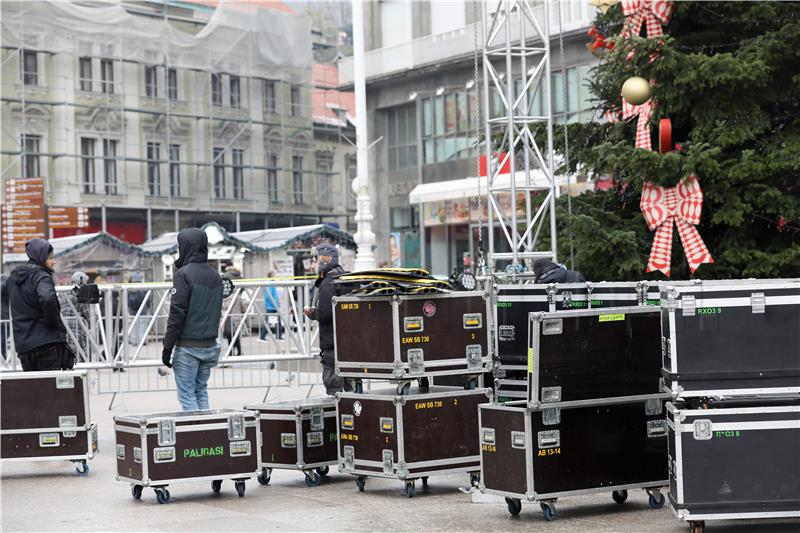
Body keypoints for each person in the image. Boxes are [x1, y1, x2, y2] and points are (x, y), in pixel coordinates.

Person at [162, 228, 223, 411]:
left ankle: (198, 435)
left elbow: (177, 313)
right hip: (210, 345)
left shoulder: (183, 274)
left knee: (187, 396)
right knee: (201, 391)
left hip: (188, 347)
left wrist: (167, 346)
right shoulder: (215, 276)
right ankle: (207, 433)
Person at [6, 238, 74, 371]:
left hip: (24, 345)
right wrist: (52, 322)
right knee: (49, 389)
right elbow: (48, 298)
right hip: (46, 343)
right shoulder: (41, 276)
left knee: (34, 389)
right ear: (41, 257)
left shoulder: (13, 279)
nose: (53, 261)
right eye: (50, 258)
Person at [303, 244, 350, 395]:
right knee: (352, 380)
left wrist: (312, 313)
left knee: (333, 381)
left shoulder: (327, 283)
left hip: (332, 341)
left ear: (325, 260)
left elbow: (324, 313)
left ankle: (335, 413)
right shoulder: (345, 278)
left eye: (314, 260)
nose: (313, 264)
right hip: (349, 341)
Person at [58, 271, 90, 361]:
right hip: (76, 326)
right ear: (81, 282)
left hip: (63, 325)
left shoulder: (63, 291)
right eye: (85, 283)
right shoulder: (80, 293)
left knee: (67, 349)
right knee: (78, 352)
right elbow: (88, 313)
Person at [222, 266, 244, 356]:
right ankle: (238, 351)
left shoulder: (226, 277)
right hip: (237, 316)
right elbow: (242, 308)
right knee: (236, 335)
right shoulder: (239, 277)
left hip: (228, 316)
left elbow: (224, 306)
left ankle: (231, 352)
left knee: (229, 335)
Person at [260, 271, 283, 340]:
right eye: (274, 275)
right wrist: (274, 304)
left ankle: (278, 335)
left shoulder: (271, 283)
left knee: (275, 322)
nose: (276, 276)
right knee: (270, 322)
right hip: (272, 306)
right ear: (271, 275)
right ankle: (263, 336)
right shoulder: (270, 284)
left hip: (272, 306)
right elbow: (269, 296)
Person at [1, 274, 10, 361]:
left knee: (3, 337)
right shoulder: (4, 285)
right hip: (4, 316)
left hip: (5, 315)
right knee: (3, 337)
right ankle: (3, 358)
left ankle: (3, 357)